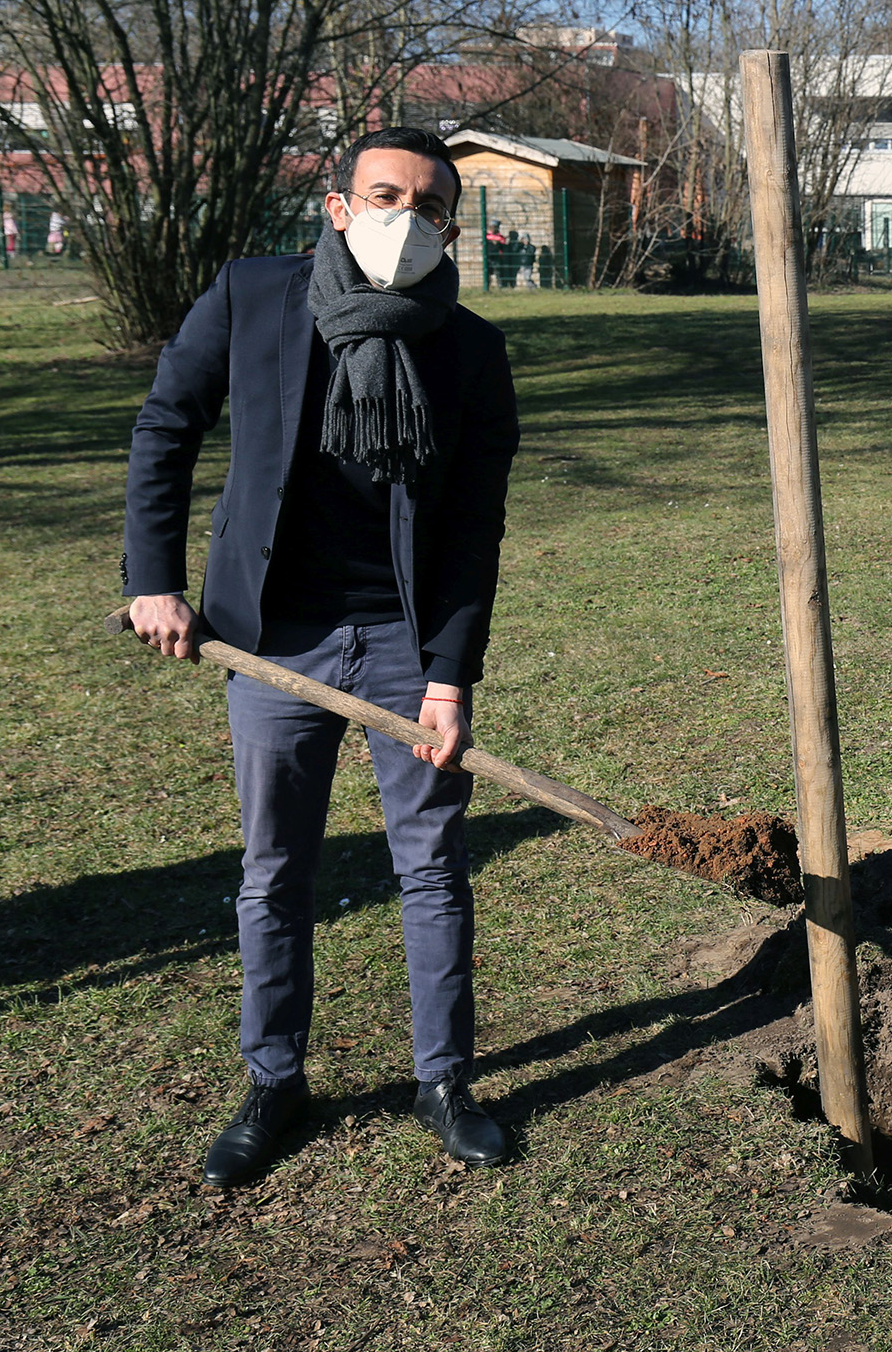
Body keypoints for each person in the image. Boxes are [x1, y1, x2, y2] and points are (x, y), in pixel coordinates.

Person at [122, 125, 522, 1185]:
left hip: (402, 641)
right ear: (338, 207)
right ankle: (274, 1082)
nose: (405, 219)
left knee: (433, 867)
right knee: (273, 871)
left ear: (450, 228)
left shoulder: (471, 350)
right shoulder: (254, 297)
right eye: (384, 194)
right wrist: (151, 580)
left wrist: (450, 673)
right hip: (268, 641)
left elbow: (474, 526)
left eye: (429, 206)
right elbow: (168, 423)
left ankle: (443, 1081)